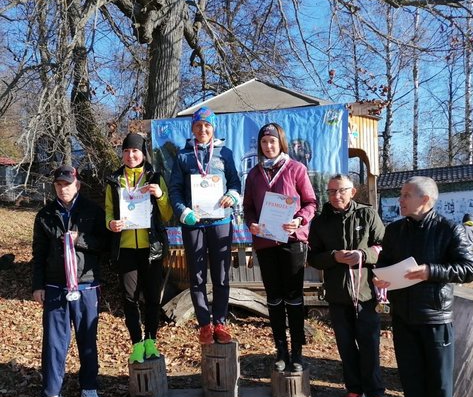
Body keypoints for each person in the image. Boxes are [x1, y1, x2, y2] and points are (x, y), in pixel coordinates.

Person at [374, 176, 473, 397]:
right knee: (410, 371)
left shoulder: (449, 230)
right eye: (401, 195)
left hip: (435, 314)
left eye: (407, 195)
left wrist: (430, 271)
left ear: (425, 200)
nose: (401, 200)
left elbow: (469, 268)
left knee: (439, 376)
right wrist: (382, 278)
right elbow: (385, 263)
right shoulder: (395, 230)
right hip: (403, 313)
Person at [308, 174, 390, 397]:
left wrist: (364, 255)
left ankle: (376, 394)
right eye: (332, 191)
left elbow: (384, 245)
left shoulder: (367, 214)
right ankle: (354, 390)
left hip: (366, 294)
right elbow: (313, 257)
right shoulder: (321, 222)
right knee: (345, 345)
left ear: (352, 192)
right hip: (337, 294)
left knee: (369, 345)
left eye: (341, 190)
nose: (336, 196)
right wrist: (333, 257)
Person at [32, 165, 107, 397]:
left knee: (87, 339)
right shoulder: (45, 214)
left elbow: (105, 245)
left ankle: (89, 387)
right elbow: (39, 253)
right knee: (54, 343)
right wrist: (38, 285)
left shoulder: (93, 211)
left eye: (67, 184)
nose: (63, 188)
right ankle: (52, 394)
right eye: (59, 185)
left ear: (77, 185)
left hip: (86, 284)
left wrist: (80, 240)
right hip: (55, 285)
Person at [243, 123, 317, 372]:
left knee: (293, 297)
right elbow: (248, 207)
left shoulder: (296, 169)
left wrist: (299, 220)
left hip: (292, 241)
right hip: (265, 242)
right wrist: (251, 223)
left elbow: (310, 202)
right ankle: (281, 350)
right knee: (274, 298)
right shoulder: (254, 174)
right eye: (264, 142)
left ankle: (297, 352)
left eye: (272, 141)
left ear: (280, 143)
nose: (268, 146)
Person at [169, 107, 241, 344]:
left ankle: (220, 322)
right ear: (192, 128)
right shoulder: (183, 156)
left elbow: (235, 183)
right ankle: (204, 325)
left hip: (220, 221)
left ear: (213, 128)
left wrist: (232, 195)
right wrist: (183, 211)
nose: (203, 130)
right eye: (198, 126)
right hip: (194, 224)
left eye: (207, 126)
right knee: (197, 276)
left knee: (221, 276)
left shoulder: (225, 154)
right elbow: (175, 190)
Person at [106, 132, 173, 363]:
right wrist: (110, 223)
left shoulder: (154, 176)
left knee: (153, 298)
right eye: (126, 151)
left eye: (135, 151)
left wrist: (160, 194)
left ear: (143, 153)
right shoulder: (114, 180)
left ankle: (151, 341)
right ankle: (136, 344)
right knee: (129, 298)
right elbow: (108, 210)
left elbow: (167, 214)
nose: (130, 155)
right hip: (125, 248)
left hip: (151, 248)